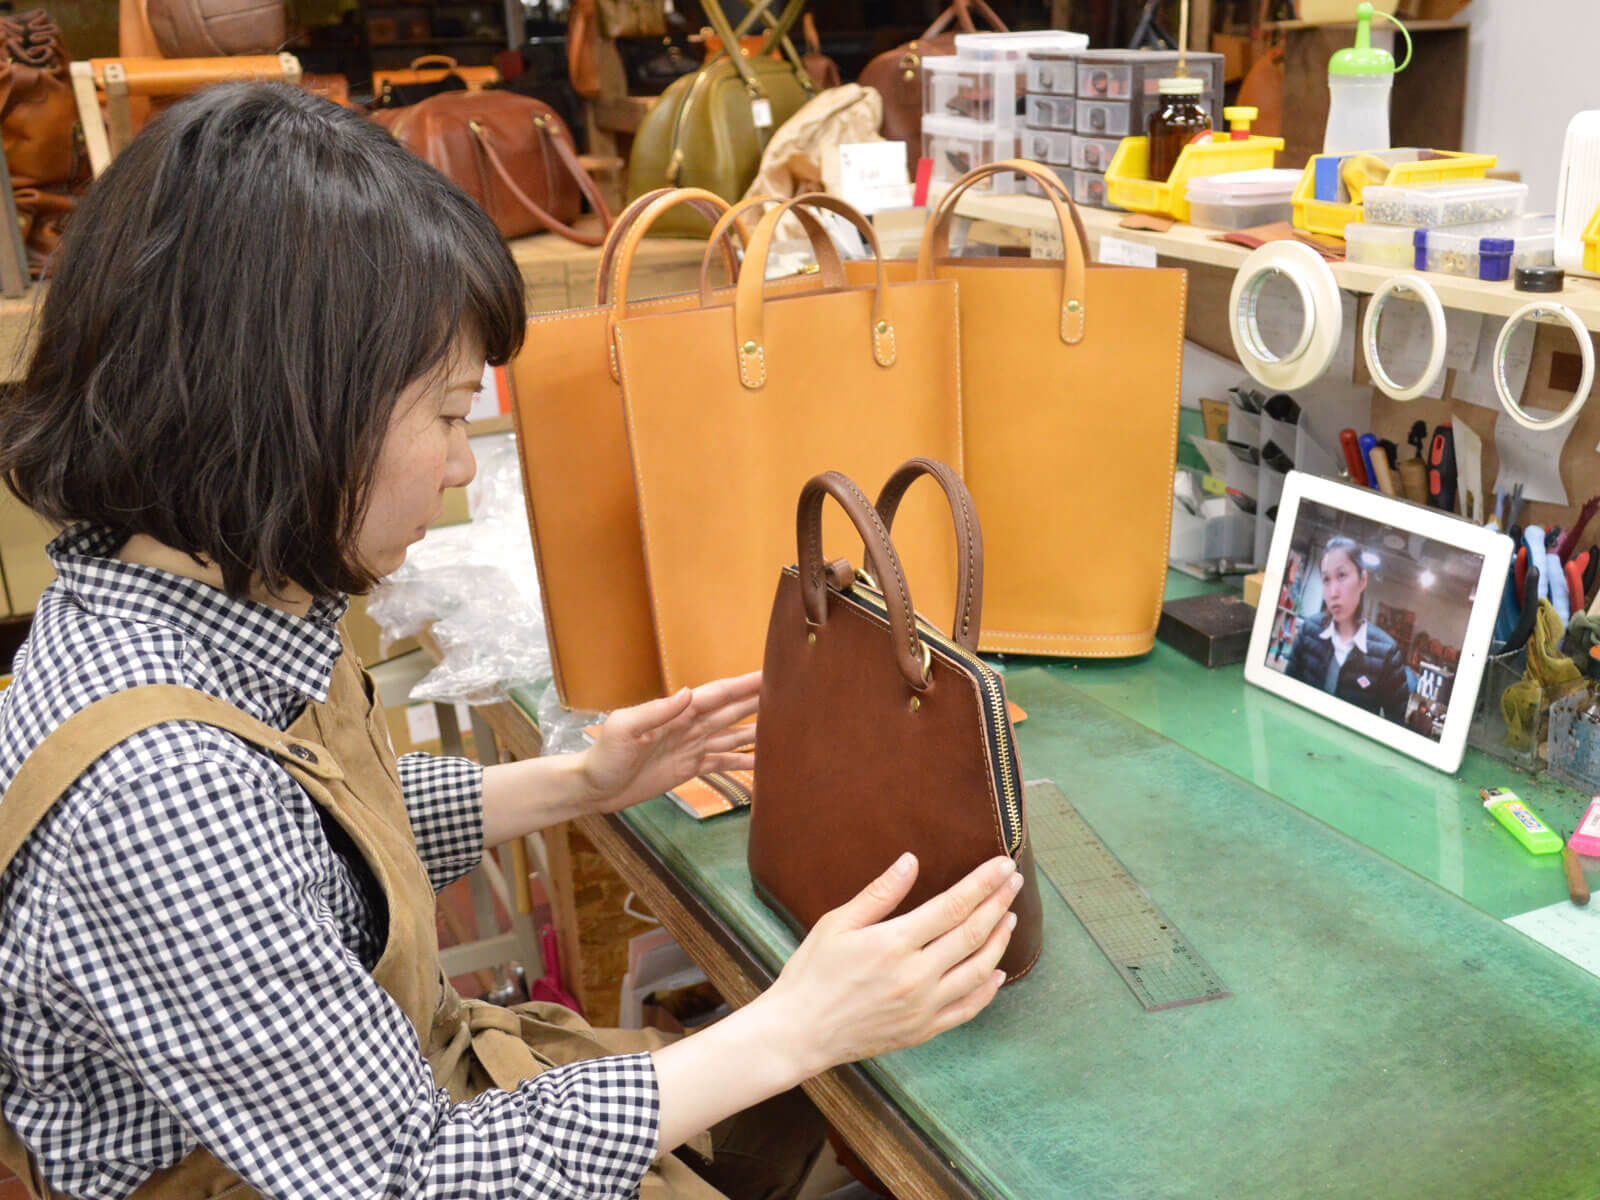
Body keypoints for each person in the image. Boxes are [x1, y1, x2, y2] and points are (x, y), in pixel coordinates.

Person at [0, 84, 1021, 1200]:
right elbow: (412, 1179)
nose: (459, 466)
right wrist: (794, 1026)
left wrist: (579, 782)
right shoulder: (159, 788)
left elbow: (315, 852)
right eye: (447, 414)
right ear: (292, 410)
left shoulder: (191, 608)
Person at [1284, 536, 1411, 722]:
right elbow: (1285, 695)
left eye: (1342, 576)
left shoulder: (1387, 654)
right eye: (1326, 579)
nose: (1333, 592)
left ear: (1362, 581)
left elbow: (1396, 723)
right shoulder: (1309, 631)